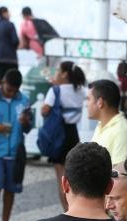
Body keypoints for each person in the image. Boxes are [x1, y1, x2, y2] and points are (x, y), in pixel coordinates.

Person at [0, 68, 32, 221]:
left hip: (16, 153)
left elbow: (29, 128)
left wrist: (26, 122)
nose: (12, 93)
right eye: (9, 89)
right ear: (2, 83)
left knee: (11, 190)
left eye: (15, 91)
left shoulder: (24, 100)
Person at [41, 60, 86, 210]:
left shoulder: (55, 91)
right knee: (73, 178)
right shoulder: (80, 90)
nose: (56, 74)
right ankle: (77, 209)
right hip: (74, 135)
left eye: (58, 71)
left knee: (62, 179)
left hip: (59, 135)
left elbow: (44, 111)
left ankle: (68, 213)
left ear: (65, 74)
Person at [87, 79, 127, 165]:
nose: (86, 104)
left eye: (88, 99)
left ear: (100, 102)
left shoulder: (122, 132)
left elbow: (121, 174)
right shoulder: (102, 124)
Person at [0, 6, 18, 83]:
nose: (9, 14)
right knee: (12, 83)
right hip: (10, 59)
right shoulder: (10, 25)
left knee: (0, 82)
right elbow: (15, 41)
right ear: (4, 13)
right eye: (8, 12)